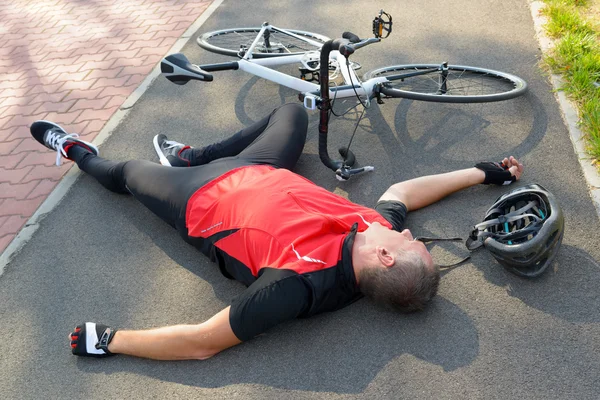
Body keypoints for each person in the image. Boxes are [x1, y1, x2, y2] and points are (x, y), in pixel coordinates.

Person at [30, 103, 523, 361]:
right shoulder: (376, 230)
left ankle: (76, 150)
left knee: (126, 174)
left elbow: (203, 341)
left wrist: (113, 340)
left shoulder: (295, 287)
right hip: (263, 168)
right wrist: (482, 172)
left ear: (386, 260)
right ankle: (190, 151)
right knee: (291, 114)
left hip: (198, 198)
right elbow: (404, 192)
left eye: (409, 243)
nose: (412, 235)